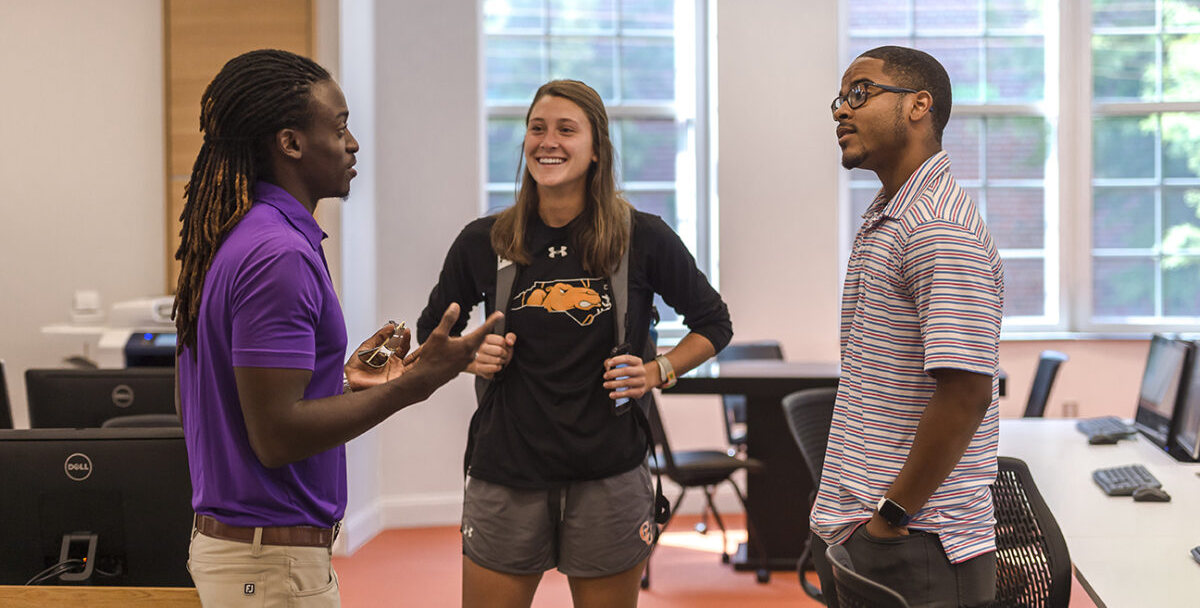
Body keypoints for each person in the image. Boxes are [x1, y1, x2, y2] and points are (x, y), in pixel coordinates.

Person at [173, 48, 500, 606]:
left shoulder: (240, 234)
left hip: (249, 556)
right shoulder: (278, 254)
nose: (353, 144)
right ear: (290, 142)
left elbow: (232, 403)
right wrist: (415, 385)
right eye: (340, 126)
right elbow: (276, 437)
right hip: (269, 565)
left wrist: (345, 384)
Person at [417, 79, 732, 608]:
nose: (548, 142)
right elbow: (433, 335)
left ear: (596, 148)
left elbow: (713, 323)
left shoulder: (642, 237)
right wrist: (470, 358)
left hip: (609, 473)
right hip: (506, 472)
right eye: (537, 128)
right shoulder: (485, 240)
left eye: (566, 129)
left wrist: (656, 371)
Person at [810, 46, 1004, 607]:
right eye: (838, 99)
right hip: (868, 523)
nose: (841, 110)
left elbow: (965, 393)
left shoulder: (938, 226)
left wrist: (892, 515)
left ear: (919, 105)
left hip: (917, 539)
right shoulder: (891, 214)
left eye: (860, 92)